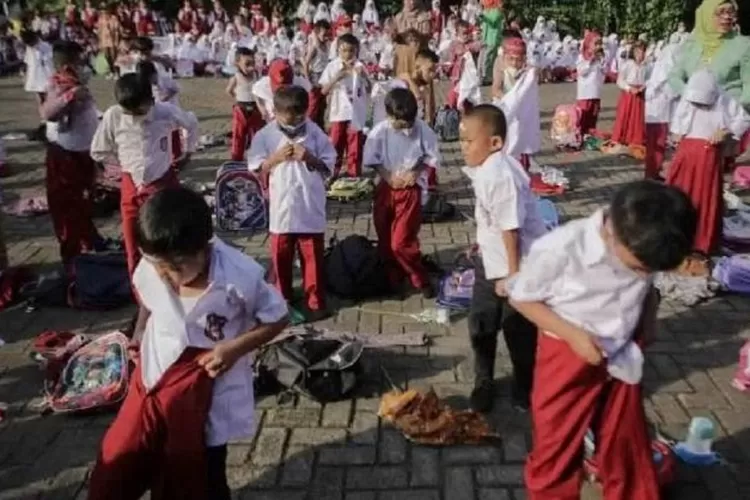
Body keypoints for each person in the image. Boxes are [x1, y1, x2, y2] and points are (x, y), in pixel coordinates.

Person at [87, 187, 289, 500]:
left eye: (177, 267)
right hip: (153, 380)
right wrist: (140, 332)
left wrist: (234, 349)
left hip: (207, 392)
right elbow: (148, 298)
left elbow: (278, 318)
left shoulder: (239, 276)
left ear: (205, 249)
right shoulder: (155, 260)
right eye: (159, 267)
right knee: (120, 461)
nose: (166, 276)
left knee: (201, 472)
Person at [508, 180, 698, 500]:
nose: (642, 274)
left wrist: (648, 319)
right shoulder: (561, 248)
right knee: (557, 444)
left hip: (622, 349)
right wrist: (574, 336)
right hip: (567, 354)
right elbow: (521, 298)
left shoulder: (648, 241)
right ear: (613, 233)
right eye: (637, 267)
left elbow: (648, 286)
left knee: (625, 439)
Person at [459, 104, 546, 412]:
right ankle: (484, 381)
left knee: (518, 329)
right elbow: (493, 221)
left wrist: (513, 277)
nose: (462, 147)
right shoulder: (488, 169)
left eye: (469, 141)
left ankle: (525, 386)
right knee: (481, 322)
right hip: (492, 263)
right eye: (461, 140)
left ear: (494, 143)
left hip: (516, 266)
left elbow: (511, 229)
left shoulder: (499, 174)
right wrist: (481, 244)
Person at [90, 73, 199, 279]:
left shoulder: (165, 113)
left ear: (150, 101)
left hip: (162, 184)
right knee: (132, 242)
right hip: (131, 185)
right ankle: (140, 295)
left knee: (167, 241)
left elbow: (191, 123)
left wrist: (188, 153)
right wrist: (119, 167)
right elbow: (98, 150)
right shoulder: (114, 115)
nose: (132, 116)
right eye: (127, 111)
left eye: (137, 110)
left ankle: (173, 286)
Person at [248, 86, 336, 321]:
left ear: (306, 112)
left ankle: (315, 300)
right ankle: (281, 299)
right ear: (274, 112)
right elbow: (255, 166)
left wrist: (308, 157)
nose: (294, 121)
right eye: (287, 116)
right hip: (282, 207)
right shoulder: (266, 135)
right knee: (281, 256)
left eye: (299, 115)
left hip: (309, 204)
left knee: (312, 257)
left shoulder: (316, 133)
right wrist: (275, 158)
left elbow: (329, 164)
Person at [363, 88, 438, 298]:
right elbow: (372, 159)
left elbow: (431, 157)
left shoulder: (423, 130)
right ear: (389, 115)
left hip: (409, 191)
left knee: (401, 241)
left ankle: (419, 277)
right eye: (400, 122)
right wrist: (387, 176)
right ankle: (393, 277)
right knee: (385, 238)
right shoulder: (380, 131)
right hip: (387, 188)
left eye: (409, 122)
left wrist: (416, 172)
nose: (405, 127)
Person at [668, 69, 750, 255]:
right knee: (679, 195)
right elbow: (678, 123)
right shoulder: (688, 98)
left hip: (708, 154)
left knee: (704, 197)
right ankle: (674, 235)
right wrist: (676, 133)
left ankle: (701, 240)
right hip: (686, 151)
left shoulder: (725, 99)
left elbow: (744, 119)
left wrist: (726, 131)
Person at [38, 41, 100, 276]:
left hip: (82, 152)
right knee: (67, 206)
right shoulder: (58, 83)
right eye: (78, 61)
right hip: (65, 156)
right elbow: (47, 113)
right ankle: (72, 256)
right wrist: (71, 95)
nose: (83, 64)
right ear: (67, 64)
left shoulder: (75, 81)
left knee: (83, 201)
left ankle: (88, 242)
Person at [669, 0, 750, 168]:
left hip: (723, 122)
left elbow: (748, 85)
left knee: (714, 170)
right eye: (721, 13)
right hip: (692, 120)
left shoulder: (743, 45)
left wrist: (734, 120)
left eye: (731, 13)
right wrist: (692, 95)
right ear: (706, 15)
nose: (727, 17)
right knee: (690, 169)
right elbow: (675, 76)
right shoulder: (693, 44)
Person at [320, 33, 371, 178]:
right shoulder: (333, 66)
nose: (348, 54)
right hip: (338, 112)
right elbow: (323, 90)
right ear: (338, 50)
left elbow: (369, 89)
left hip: (355, 112)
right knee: (336, 143)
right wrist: (337, 77)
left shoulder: (360, 66)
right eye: (344, 50)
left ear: (357, 51)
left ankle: (353, 175)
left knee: (354, 145)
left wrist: (363, 76)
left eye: (352, 51)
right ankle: (332, 173)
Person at [492, 36, 541, 171]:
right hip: (507, 110)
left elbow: (536, 78)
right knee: (508, 141)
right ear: (504, 58)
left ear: (524, 59)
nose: (514, 63)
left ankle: (523, 169)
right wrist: (508, 99)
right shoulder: (502, 71)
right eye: (511, 59)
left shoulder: (526, 72)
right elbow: (495, 89)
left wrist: (534, 72)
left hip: (521, 114)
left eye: (519, 60)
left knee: (521, 139)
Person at [644, 41, 681, 180]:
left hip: (661, 111)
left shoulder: (663, 66)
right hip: (658, 112)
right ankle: (651, 173)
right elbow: (670, 90)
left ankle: (654, 171)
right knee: (655, 144)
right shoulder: (666, 67)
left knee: (658, 144)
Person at [226, 47, 263, 161]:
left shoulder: (256, 75)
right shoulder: (236, 77)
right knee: (239, 134)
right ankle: (236, 157)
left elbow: (259, 90)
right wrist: (237, 97)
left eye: (252, 63)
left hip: (255, 107)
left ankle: (257, 156)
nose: (251, 67)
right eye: (247, 64)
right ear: (237, 63)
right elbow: (228, 90)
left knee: (256, 133)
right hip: (241, 108)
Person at [611, 41, 647, 148]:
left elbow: (649, 79)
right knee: (624, 115)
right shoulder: (628, 64)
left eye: (642, 52)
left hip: (639, 94)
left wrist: (643, 87)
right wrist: (629, 88)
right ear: (634, 53)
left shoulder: (646, 66)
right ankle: (621, 136)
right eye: (639, 52)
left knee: (637, 118)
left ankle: (634, 137)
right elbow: (619, 81)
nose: (641, 55)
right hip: (628, 95)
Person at [253, 59, 312, 123]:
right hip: (271, 123)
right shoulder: (262, 85)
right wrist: (261, 108)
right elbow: (255, 92)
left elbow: (310, 93)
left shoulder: (300, 83)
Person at [303, 20, 331, 129]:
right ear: (317, 33)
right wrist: (308, 80)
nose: (326, 37)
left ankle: (319, 126)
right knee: (313, 105)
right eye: (324, 35)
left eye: (328, 35)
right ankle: (308, 127)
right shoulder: (315, 47)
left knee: (322, 105)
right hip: (315, 77)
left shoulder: (326, 46)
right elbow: (306, 63)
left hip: (323, 77)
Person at [576, 30, 606, 136]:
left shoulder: (600, 58)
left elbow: (603, 72)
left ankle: (590, 134)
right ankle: (580, 134)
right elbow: (581, 71)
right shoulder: (583, 57)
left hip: (596, 91)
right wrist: (590, 61)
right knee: (583, 114)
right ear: (588, 44)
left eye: (600, 44)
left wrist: (601, 61)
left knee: (594, 114)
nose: (598, 46)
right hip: (585, 92)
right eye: (596, 44)